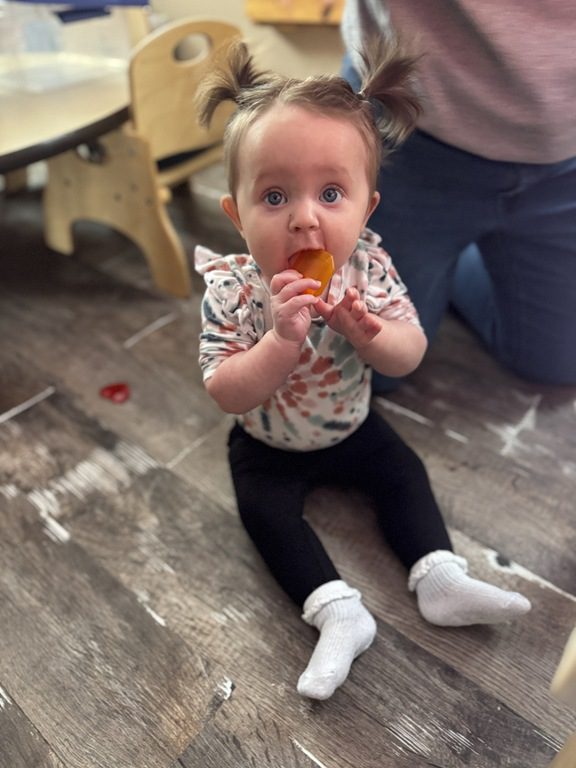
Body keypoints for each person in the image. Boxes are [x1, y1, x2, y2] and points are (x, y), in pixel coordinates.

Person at [193, 39, 531, 701]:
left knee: (404, 472)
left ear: (366, 207)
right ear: (235, 213)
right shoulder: (232, 289)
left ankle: (439, 577)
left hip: (352, 423)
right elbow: (225, 390)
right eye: (274, 196)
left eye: (330, 193)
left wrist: (369, 333)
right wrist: (279, 342)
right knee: (264, 514)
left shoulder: (367, 268)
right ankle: (337, 612)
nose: (305, 218)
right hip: (267, 443)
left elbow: (411, 351)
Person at [339, 0, 576, 393]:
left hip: (563, 161)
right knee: (372, 371)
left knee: (559, 361)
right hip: (404, 134)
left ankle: (446, 260)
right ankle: (437, 261)